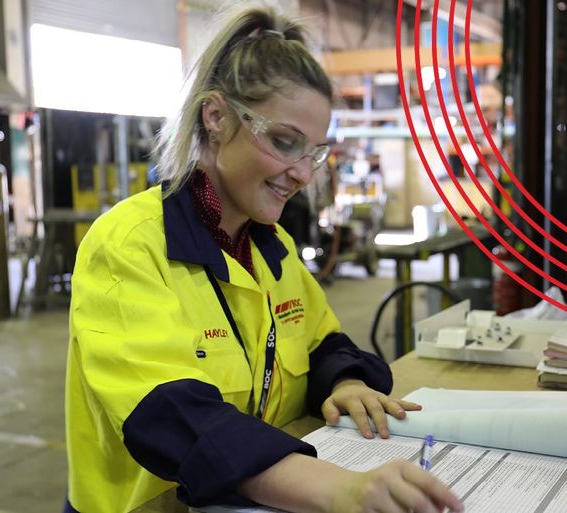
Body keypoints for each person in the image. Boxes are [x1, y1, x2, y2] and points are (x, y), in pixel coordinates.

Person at [63, 4, 464, 513]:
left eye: (313, 152)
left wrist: (344, 382)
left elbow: (321, 344)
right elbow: (173, 414)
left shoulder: (271, 249)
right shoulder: (129, 246)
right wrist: (341, 489)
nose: (303, 174)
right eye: (284, 142)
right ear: (215, 116)